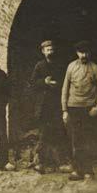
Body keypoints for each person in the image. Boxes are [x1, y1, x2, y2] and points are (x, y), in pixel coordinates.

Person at [61, 40, 97, 181]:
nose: (83, 55)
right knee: (75, 140)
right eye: (81, 52)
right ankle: (77, 170)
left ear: (89, 53)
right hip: (73, 108)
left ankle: (88, 171)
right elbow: (65, 89)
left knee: (87, 140)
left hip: (88, 109)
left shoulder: (94, 68)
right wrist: (64, 110)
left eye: (86, 52)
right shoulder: (71, 67)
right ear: (77, 53)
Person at [27, 40, 72, 174]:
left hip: (57, 105)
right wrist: (44, 82)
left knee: (59, 133)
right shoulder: (39, 66)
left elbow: (65, 82)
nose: (50, 52)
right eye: (47, 50)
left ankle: (62, 163)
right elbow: (32, 84)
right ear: (43, 52)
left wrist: (56, 85)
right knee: (44, 135)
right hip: (44, 107)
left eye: (52, 49)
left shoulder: (60, 65)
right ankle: (41, 163)